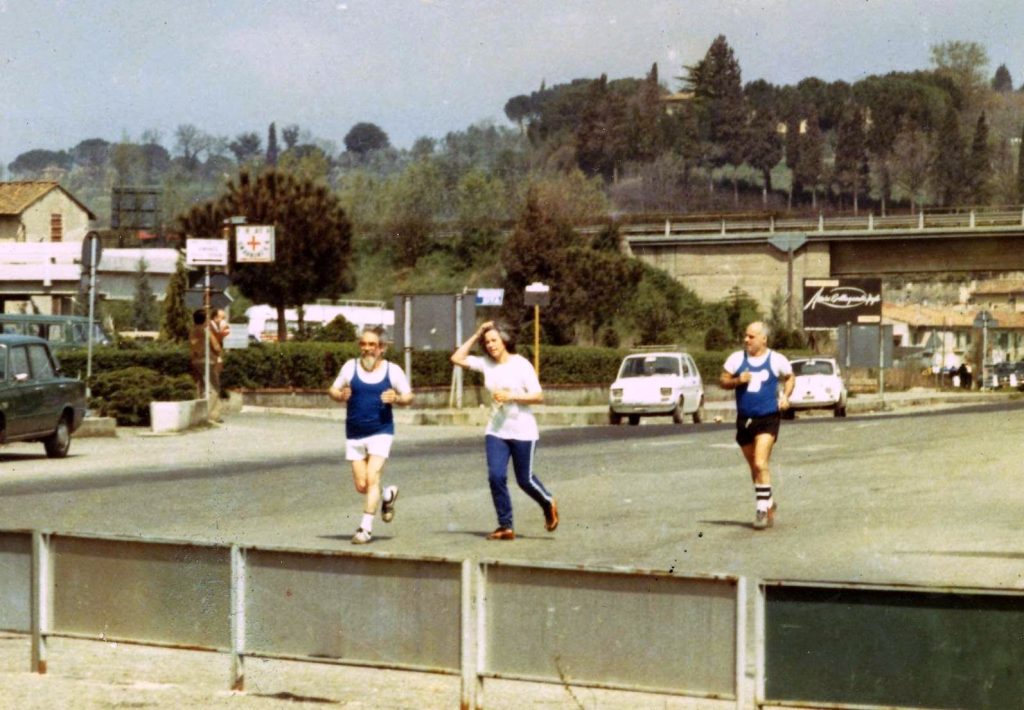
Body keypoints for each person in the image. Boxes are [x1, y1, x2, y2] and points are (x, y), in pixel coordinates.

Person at [451, 320, 558, 541]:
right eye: (487, 341)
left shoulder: (521, 364)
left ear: (505, 340)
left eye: (494, 340)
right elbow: (457, 358)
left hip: (523, 431)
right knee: (496, 476)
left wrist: (511, 396)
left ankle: (547, 502)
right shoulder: (486, 363)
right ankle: (505, 525)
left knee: (524, 480)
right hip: (497, 430)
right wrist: (477, 332)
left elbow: (538, 396)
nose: (490, 345)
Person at [328, 327, 413, 545]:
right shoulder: (350, 367)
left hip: (381, 431)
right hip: (354, 433)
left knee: (372, 476)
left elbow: (408, 396)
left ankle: (365, 529)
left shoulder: (392, 371)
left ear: (381, 348)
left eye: (372, 345)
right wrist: (340, 395)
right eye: (363, 344)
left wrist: (396, 398)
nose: (366, 349)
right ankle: (387, 496)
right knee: (362, 485)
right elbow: (333, 390)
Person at [719, 321, 794, 530]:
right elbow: (723, 380)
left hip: (767, 417)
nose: (746, 340)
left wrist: (785, 396)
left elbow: (789, 377)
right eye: (745, 336)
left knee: (761, 463)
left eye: (751, 337)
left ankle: (761, 509)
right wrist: (737, 381)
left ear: (763, 339)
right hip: (745, 419)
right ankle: (769, 502)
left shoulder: (776, 359)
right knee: (754, 467)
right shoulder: (736, 359)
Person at [189, 309, 223, 422]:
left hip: (195, 361)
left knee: (201, 387)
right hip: (207, 362)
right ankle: (209, 415)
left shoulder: (192, 331)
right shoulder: (206, 331)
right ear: (205, 320)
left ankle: (205, 414)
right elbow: (217, 347)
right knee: (215, 387)